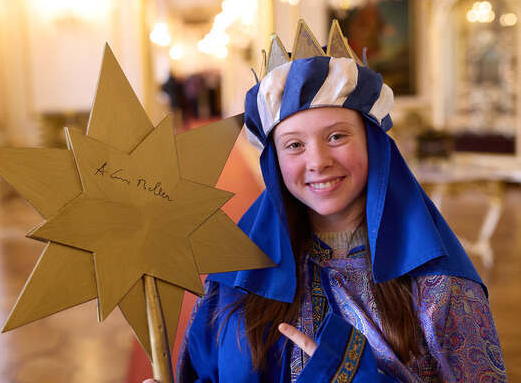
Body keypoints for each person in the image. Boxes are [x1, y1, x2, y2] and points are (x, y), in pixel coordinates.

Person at [147, 21, 508, 382]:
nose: (317, 161)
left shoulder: (440, 286)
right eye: (294, 145)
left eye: (336, 136)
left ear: (374, 145)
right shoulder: (237, 281)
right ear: (275, 161)